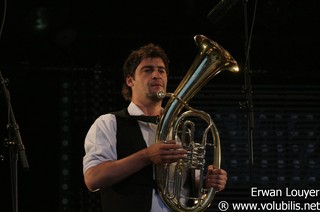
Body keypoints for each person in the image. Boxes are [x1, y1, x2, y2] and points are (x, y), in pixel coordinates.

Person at [83, 43, 228, 212]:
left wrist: (205, 184)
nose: (156, 75)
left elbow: (188, 191)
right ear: (130, 80)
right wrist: (146, 156)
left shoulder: (181, 128)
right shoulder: (109, 122)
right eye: (147, 70)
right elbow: (93, 179)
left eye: (161, 70)